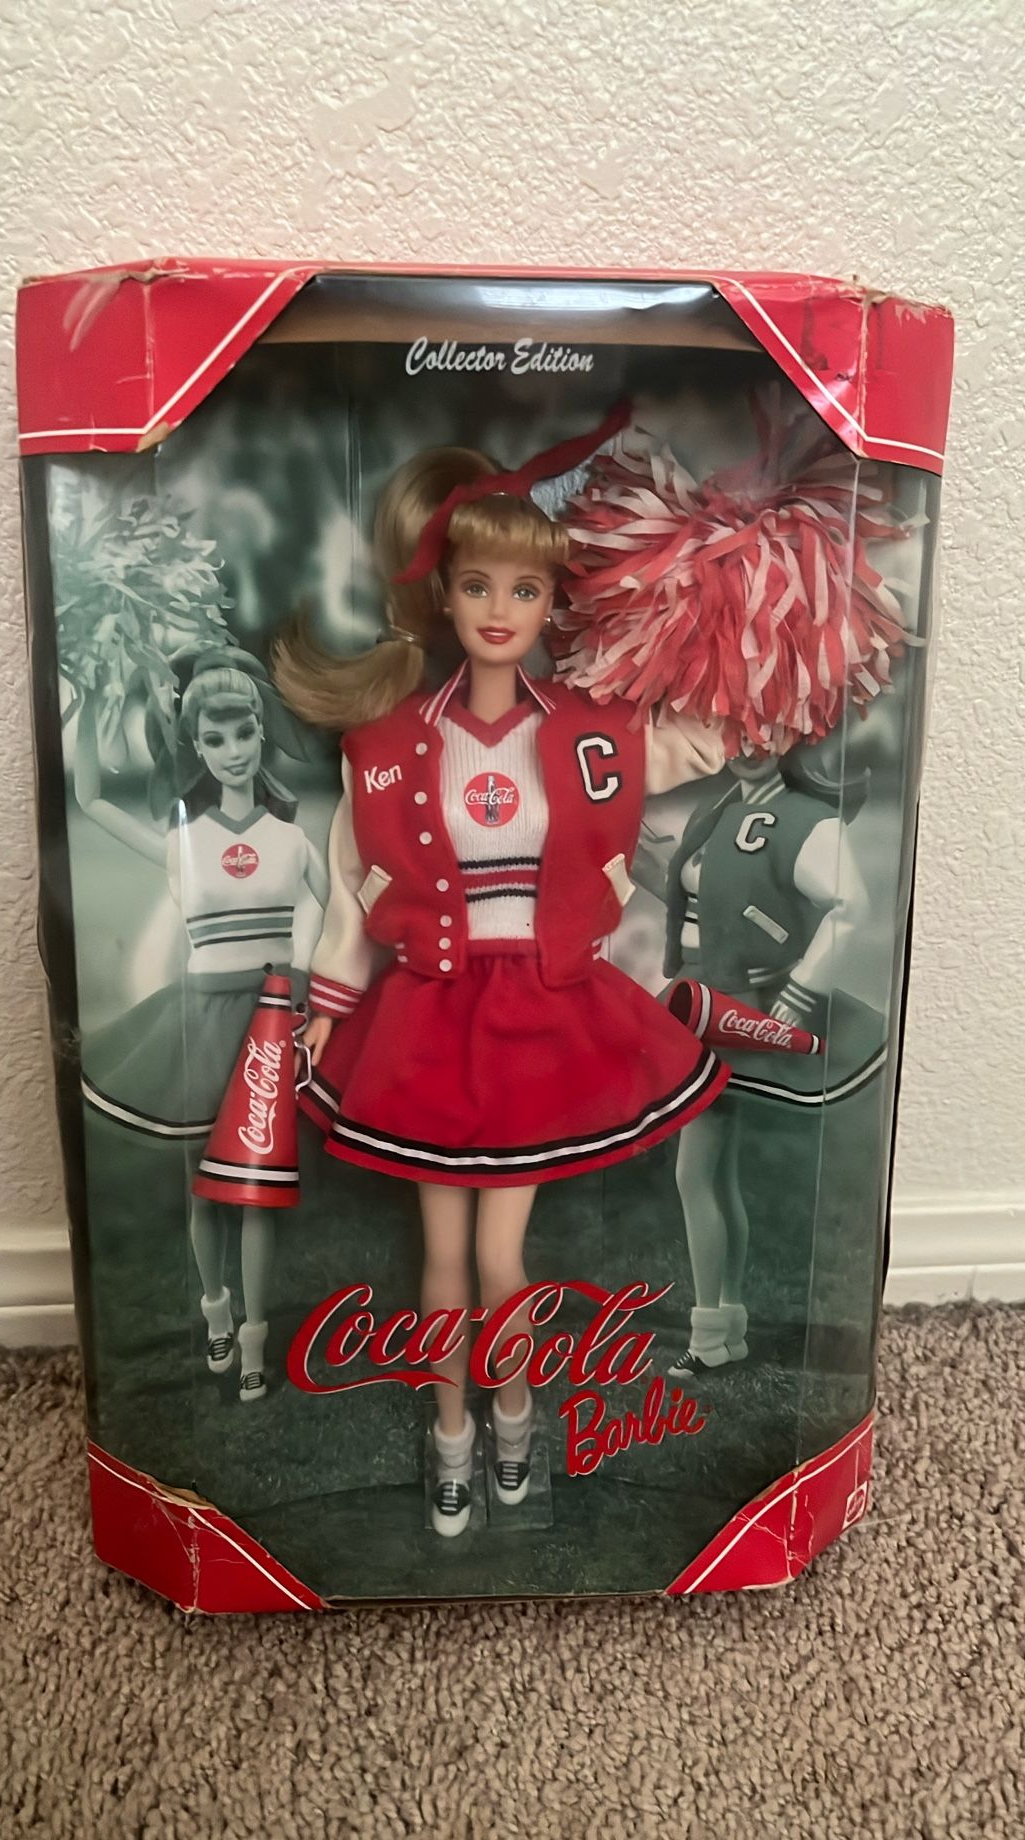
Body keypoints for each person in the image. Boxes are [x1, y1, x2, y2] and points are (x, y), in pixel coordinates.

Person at [273, 415, 730, 1537]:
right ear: (443, 595)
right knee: (441, 1253)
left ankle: (513, 1418)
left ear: (548, 603)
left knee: (497, 1250)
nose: (498, 611)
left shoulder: (594, 731)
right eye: (477, 585)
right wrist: (329, 1007)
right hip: (429, 1012)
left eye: (524, 591)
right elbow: (353, 893)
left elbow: (714, 731)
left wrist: (741, 607)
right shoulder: (386, 745)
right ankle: (451, 1437)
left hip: (543, 1011)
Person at [74, 649, 327, 1402]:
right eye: (214, 738)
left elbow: (336, 898)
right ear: (196, 745)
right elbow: (90, 798)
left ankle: (255, 1339)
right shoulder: (182, 840)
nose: (233, 750)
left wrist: (307, 972)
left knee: (255, 1186)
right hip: (199, 1020)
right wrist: (92, 692)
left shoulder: (291, 836)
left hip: (269, 1024)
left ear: (261, 730)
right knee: (205, 1189)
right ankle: (215, 1306)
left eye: (243, 732)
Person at [664, 747, 869, 1377]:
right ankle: (727, 1330)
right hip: (701, 998)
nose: (750, 745)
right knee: (714, 1172)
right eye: (737, 727)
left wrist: (799, 991)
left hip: (737, 1009)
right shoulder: (717, 808)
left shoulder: (806, 819)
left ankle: (710, 1336)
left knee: (695, 1174)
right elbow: (708, 904)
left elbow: (852, 906)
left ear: (792, 733)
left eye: (767, 727)